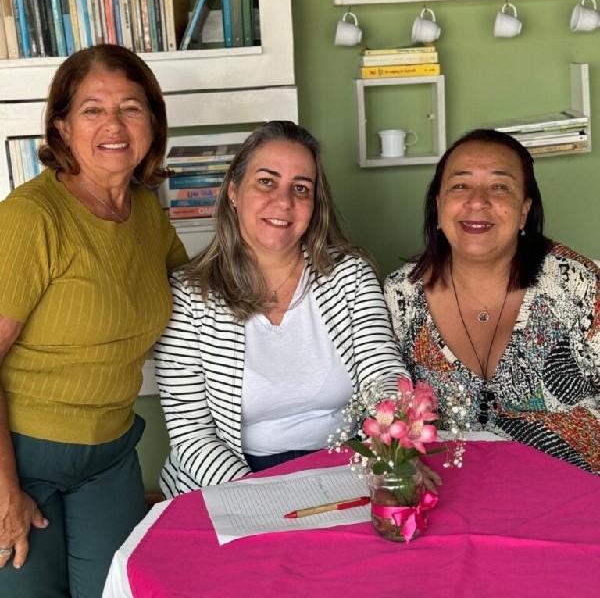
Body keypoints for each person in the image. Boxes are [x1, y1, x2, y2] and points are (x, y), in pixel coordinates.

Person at [0, 44, 188, 598]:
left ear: (152, 122)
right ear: (61, 127)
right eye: (92, 109)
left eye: (131, 107)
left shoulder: (146, 211)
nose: (114, 125)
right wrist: (3, 490)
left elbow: (199, 292)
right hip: (21, 457)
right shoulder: (30, 217)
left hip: (110, 456)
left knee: (119, 591)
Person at [154, 120, 408, 495]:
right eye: (266, 181)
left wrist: (392, 455)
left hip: (344, 468)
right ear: (234, 191)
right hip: (229, 479)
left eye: (300, 188)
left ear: (314, 204)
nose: (284, 202)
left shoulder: (350, 276)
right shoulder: (189, 294)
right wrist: (266, 496)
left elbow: (383, 376)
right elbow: (192, 436)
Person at [384, 128, 600, 475]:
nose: (477, 201)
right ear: (438, 206)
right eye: (460, 185)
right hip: (450, 497)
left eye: (499, 187)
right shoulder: (399, 295)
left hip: (575, 495)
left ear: (524, 209)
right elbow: (382, 412)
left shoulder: (576, 284)